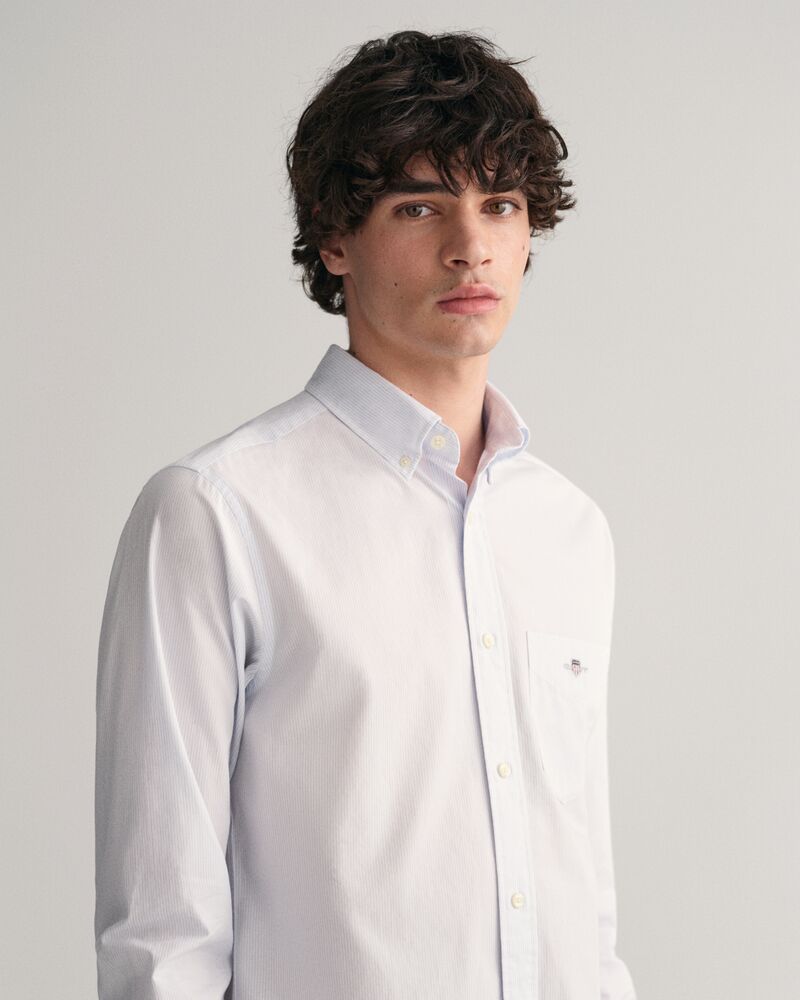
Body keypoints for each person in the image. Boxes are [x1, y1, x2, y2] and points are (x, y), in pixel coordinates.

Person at [94, 29, 637, 1000]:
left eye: (500, 205)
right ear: (335, 237)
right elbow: (161, 943)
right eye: (418, 205)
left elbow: (584, 902)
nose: (470, 245)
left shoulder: (569, 532)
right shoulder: (218, 515)